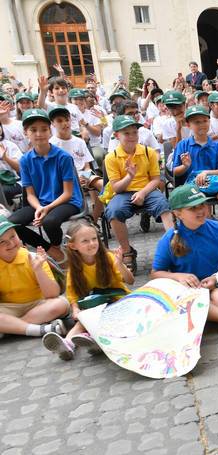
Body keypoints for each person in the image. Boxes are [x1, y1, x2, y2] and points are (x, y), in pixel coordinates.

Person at [151, 184, 218, 340]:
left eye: (202, 205)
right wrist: (179, 277)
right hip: (186, 291)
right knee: (193, 303)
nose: (201, 210)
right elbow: (156, 273)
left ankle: (207, 313)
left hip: (214, 284)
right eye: (192, 208)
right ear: (178, 213)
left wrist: (216, 279)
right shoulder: (168, 239)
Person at [42, 220, 133, 360]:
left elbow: (130, 280)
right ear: (73, 246)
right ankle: (68, 343)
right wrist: (75, 309)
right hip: (94, 306)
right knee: (84, 320)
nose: (92, 243)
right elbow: (72, 294)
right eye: (85, 241)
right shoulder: (75, 267)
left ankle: (90, 339)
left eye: (94, 239)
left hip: (118, 302)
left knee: (97, 320)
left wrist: (120, 264)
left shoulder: (108, 257)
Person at [8, 109, 83, 263]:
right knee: (9, 225)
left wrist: (46, 209)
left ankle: (56, 244)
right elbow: (30, 194)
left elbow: (68, 193)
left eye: (44, 129)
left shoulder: (63, 157)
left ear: (50, 131)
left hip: (66, 202)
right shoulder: (25, 160)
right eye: (33, 130)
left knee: (50, 221)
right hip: (39, 203)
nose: (39, 134)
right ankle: (51, 249)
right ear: (25, 132)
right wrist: (39, 208)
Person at [104, 115, 175, 272]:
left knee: (163, 205)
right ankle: (127, 250)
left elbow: (156, 179)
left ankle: (173, 245)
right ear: (117, 136)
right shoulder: (111, 157)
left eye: (134, 132)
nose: (131, 137)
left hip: (147, 189)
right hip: (124, 192)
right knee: (113, 211)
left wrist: (142, 192)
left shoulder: (148, 152)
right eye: (126, 133)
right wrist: (129, 176)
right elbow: (116, 188)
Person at [0, 215, 68, 338]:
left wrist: (38, 269)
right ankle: (40, 328)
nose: (10, 243)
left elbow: (52, 294)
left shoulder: (32, 257)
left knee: (61, 304)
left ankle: (12, 327)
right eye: (2, 242)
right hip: (9, 308)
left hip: (38, 304)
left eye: (12, 236)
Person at [172, 105, 218, 230]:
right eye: (197, 122)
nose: (202, 125)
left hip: (213, 183)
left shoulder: (217, 146)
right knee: (200, 206)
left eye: (204, 121)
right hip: (192, 186)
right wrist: (185, 166)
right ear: (188, 125)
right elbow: (175, 171)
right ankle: (205, 235)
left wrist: (206, 172)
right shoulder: (183, 145)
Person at [48, 106, 104, 222]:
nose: (64, 123)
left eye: (67, 120)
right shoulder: (51, 144)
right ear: (53, 124)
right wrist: (74, 179)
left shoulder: (79, 141)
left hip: (82, 175)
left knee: (103, 186)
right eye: (59, 121)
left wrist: (85, 176)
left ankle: (94, 219)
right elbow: (52, 171)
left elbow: (87, 166)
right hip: (64, 180)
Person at [0, 126, 23, 203]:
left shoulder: (9, 145)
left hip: (14, 182)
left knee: (2, 191)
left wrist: (5, 158)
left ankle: (9, 208)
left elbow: (20, 168)